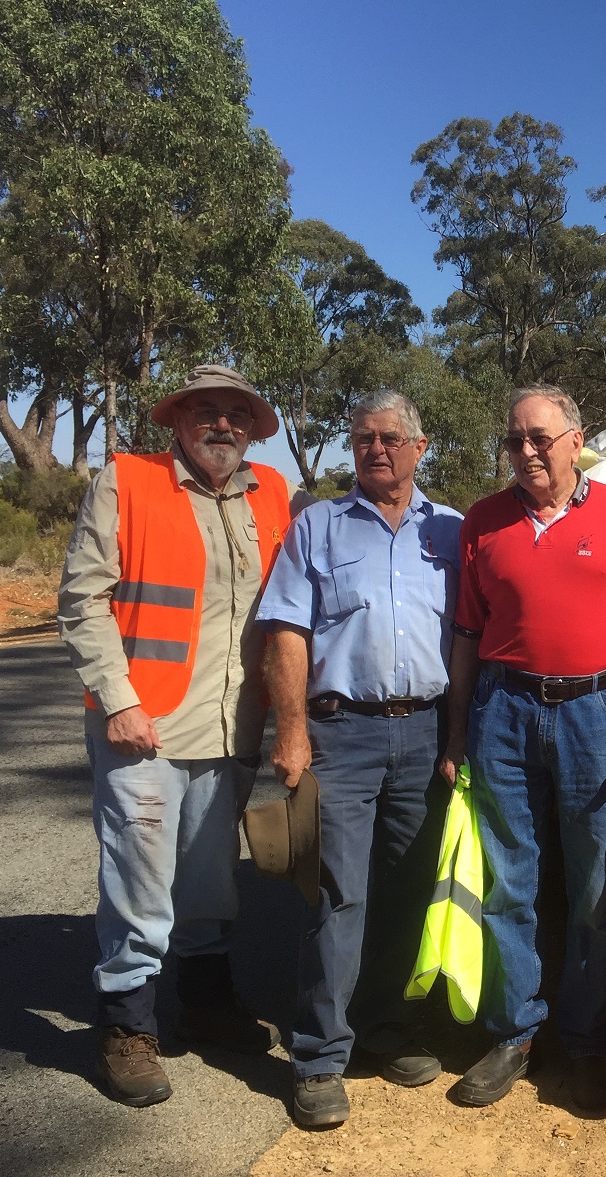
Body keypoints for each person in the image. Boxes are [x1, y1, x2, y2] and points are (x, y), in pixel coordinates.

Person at [58, 364, 300, 1108]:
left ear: (255, 428)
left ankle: (204, 1001)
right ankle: (127, 1026)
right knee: (139, 881)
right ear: (177, 422)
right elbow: (82, 599)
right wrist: (119, 700)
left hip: (233, 729)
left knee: (209, 877)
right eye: (206, 410)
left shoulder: (274, 494)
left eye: (237, 412)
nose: (222, 424)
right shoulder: (127, 482)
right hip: (144, 729)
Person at [441, 383, 606, 1113]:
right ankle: (514, 1033)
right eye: (515, 440)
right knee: (510, 881)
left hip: (596, 713)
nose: (528, 452)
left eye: (540, 437)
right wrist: (458, 733)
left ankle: (590, 1040)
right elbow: (469, 637)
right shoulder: (482, 521)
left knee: (595, 892)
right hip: (504, 709)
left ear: (577, 440)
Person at [258, 389, 463, 1129]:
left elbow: (469, 640)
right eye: (362, 438)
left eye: (388, 438)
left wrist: (458, 735)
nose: (374, 449)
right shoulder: (316, 527)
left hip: (425, 734)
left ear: (420, 445)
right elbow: (286, 631)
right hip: (341, 735)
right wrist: (290, 732)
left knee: (408, 892)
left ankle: (386, 1029)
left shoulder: (453, 533)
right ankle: (319, 1056)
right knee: (337, 895)